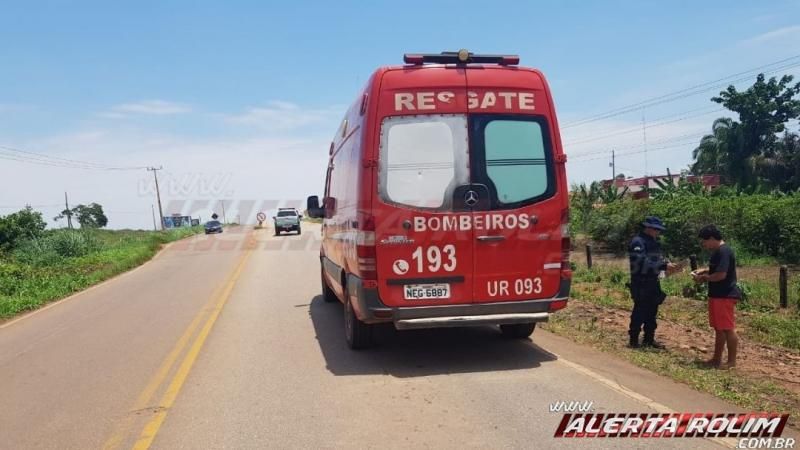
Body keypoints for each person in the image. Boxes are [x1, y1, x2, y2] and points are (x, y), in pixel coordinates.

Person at [692, 224, 739, 369]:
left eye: (704, 241)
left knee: (727, 328)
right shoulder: (718, 252)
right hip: (717, 295)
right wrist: (704, 271)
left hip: (724, 295)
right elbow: (716, 270)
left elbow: (721, 275)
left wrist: (704, 278)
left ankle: (731, 362)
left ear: (712, 238)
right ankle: (716, 359)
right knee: (719, 328)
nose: (704, 245)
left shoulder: (724, 251)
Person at [628, 216, 679, 349]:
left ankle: (649, 339)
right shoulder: (638, 242)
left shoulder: (654, 242)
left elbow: (657, 260)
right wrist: (663, 265)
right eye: (656, 229)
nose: (658, 232)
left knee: (652, 311)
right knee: (639, 311)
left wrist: (667, 265)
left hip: (653, 282)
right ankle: (633, 340)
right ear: (649, 228)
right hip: (641, 282)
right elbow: (641, 262)